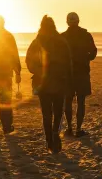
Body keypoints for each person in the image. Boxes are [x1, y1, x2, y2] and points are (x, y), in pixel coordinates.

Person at [25, 15, 71, 152]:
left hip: (42, 83)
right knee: (58, 111)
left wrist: (38, 72)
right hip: (59, 81)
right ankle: (55, 132)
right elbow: (68, 63)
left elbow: (29, 61)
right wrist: (68, 79)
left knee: (46, 113)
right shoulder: (61, 41)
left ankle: (49, 140)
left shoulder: (37, 41)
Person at [62, 12, 98, 137]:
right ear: (78, 21)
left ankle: (70, 128)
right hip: (82, 72)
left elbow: (57, 55)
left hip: (68, 73)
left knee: (67, 100)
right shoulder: (86, 35)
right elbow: (93, 52)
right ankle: (78, 129)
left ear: (67, 22)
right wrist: (85, 58)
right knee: (80, 101)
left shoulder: (63, 37)